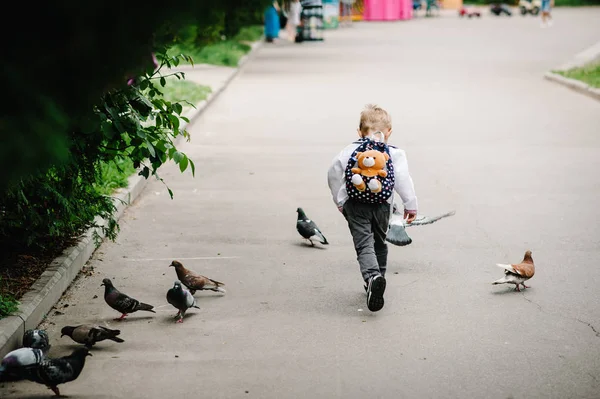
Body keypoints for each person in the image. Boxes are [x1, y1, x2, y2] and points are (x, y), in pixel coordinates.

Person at [327, 104, 418, 312]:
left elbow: (333, 174)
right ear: (389, 132)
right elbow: (403, 180)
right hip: (383, 207)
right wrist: (410, 205)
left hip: (355, 205)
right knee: (379, 241)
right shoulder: (394, 153)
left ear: (359, 132)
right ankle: (380, 279)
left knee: (363, 244)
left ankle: (372, 277)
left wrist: (340, 201)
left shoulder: (349, 150)